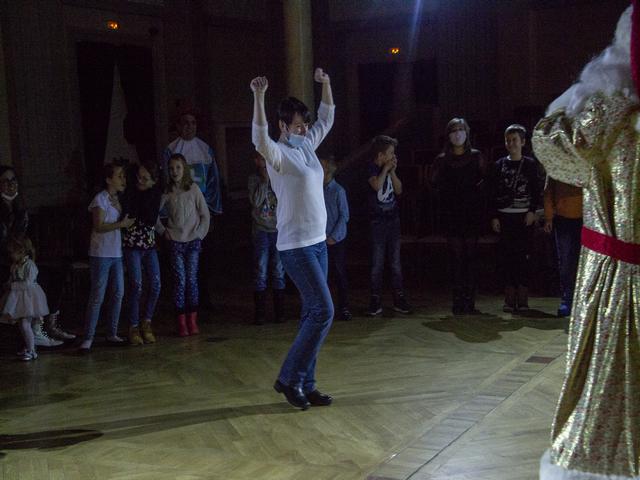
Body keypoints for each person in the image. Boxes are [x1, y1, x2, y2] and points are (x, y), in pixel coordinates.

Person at [532, 4, 639, 479]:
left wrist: (586, 95)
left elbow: (549, 142)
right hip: (615, 271)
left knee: (610, 399)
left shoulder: (604, 117)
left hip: (618, 285)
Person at [250, 68, 335, 410]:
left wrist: (325, 85)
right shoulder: (278, 155)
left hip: (318, 243)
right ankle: (288, 379)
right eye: (297, 125)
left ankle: (307, 384)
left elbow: (327, 119)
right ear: (283, 126)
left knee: (311, 313)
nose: (304, 129)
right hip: (296, 247)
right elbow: (259, 139)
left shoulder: (307, 147)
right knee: (324, 311)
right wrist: (259, 97)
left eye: (304, 124)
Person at [0, 166, 71, 346]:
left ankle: (49, 324)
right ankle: (35, 329)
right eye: (6, 181)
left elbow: (26, 237)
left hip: (21, 256)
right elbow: (6, 241)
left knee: (57, 270)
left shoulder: (20, 208)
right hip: (6, 260)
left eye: (13, 180)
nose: (11, 184)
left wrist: (29, 255)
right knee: (34, 280)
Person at [163, 106, 222, 312]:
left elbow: (213, 181)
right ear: (178, 126)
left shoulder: (205, 149)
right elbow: (166, 183)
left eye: (193, 123)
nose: (190, 127)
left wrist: (210, 210)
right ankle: (182, 304)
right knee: (181, 265)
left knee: (203, 259)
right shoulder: (171, 150)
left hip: (201, 212)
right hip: (180, 214)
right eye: (185, 123)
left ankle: (203, 300)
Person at [430, 118, 488, 315]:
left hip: (471, 213)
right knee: (455, 258)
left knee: (470, 258)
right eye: (453, 130)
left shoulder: (476, 156)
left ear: (467, 132)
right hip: (451, 214)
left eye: (461, 130)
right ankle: (457, 300)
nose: (457, 134)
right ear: (448, 135)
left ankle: (470, 301)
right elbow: (434, 186)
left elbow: (485, 183)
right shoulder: (441, 160)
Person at [79, 160, 134, 352]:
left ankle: (112, 333)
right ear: (109, 179)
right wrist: (121, 224)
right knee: (97, 295)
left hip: (116, 252)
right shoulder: (100, 199)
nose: (123, 179)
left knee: (118, 292)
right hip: (101, 253)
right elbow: (99, 226)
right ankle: (88, 338)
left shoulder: (119, 199)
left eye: (123, 176)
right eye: (119, 176)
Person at [156, 153, 210, 337]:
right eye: (171, 168)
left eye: (178, 167)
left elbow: (205, 214)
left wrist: (199, 234)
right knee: (180, 280)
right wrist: (163, 231)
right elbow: (154, 214)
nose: (175, 171)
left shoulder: (193, 189)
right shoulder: (167, 191)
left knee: (191, 279)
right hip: (175, 241)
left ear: (184, 168)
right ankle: (181, 321)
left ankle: (192, 320)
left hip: (192, 241)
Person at [490, 124, 541, 312]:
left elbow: (536, 189)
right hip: (505, 216)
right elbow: (492, 192)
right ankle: (509, 299)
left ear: (523, 142)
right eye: (508, 140)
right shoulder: (499, 165)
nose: (511, 143)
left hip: (523, 217)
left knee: (523, 257)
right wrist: (494, 216)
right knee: (507, 258)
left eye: (515, 140)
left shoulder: (530, 164)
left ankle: (523, 298)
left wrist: (532, 211)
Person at [366, 135, 412, 316]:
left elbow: (399, 190)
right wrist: (385, 170)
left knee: (395, 263)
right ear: (381, 155)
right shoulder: (371, 168)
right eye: (391, 153)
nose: (394, 156)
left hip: (393, 221)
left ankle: (399, 298)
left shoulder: (390, 169)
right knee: (377, 263)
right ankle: (375, 299)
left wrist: (392, 172)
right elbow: (377, 186)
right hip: (377, 222)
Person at [121, 162, 163, 345]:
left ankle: (147, 322)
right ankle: (133, 326)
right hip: (132, 245)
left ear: (154, 181)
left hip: (149, 245)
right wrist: (140, 211)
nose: (140, 181)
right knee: (136, 285)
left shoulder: (155, 193)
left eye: (145, 179)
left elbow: (150, 219)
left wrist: (140, 210)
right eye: (139, 176)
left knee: (156, 284)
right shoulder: (130, 191)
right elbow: (129, 213)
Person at [248, 152, 285, 325]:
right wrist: (264, 181)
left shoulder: (280, 176)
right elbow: (255, 202)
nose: (264, 162)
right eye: (260, 159)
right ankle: (260, 314)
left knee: (278, 270)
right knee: (261, 270)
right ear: (256, 160)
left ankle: (280, 313)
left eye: (266, 158)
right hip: (261, 230)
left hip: (278, 230)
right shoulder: (253, 179)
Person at [0, 235, 50, 361]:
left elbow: (28, 283)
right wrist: (8, 284)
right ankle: (28, 347)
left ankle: (32, 351)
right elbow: (12, 278)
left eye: (13, 252)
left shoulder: (30, 265)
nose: (11, 255)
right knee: (22, 325)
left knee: (25, 324)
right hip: (17, 298)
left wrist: (12, 286)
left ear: (21, 251)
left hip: (29, 299)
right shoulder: (15, 265)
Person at [542, 177, 582, 317]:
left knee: (584, 261)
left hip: (587, 217)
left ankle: (580, 300)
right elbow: (548, 192)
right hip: (563, 217)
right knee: (565, 260)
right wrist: (549, 217)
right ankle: (567, 299)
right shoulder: (557, 167)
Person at [321, 156, 351, 321]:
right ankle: (324, 309)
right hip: (320, 239)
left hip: (336, 239)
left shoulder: (338, 191)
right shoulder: (316, 189)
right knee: (322, 276)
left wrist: (333, 236)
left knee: (339, 274)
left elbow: (344, 215)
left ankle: (344, 307)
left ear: (328, 170)